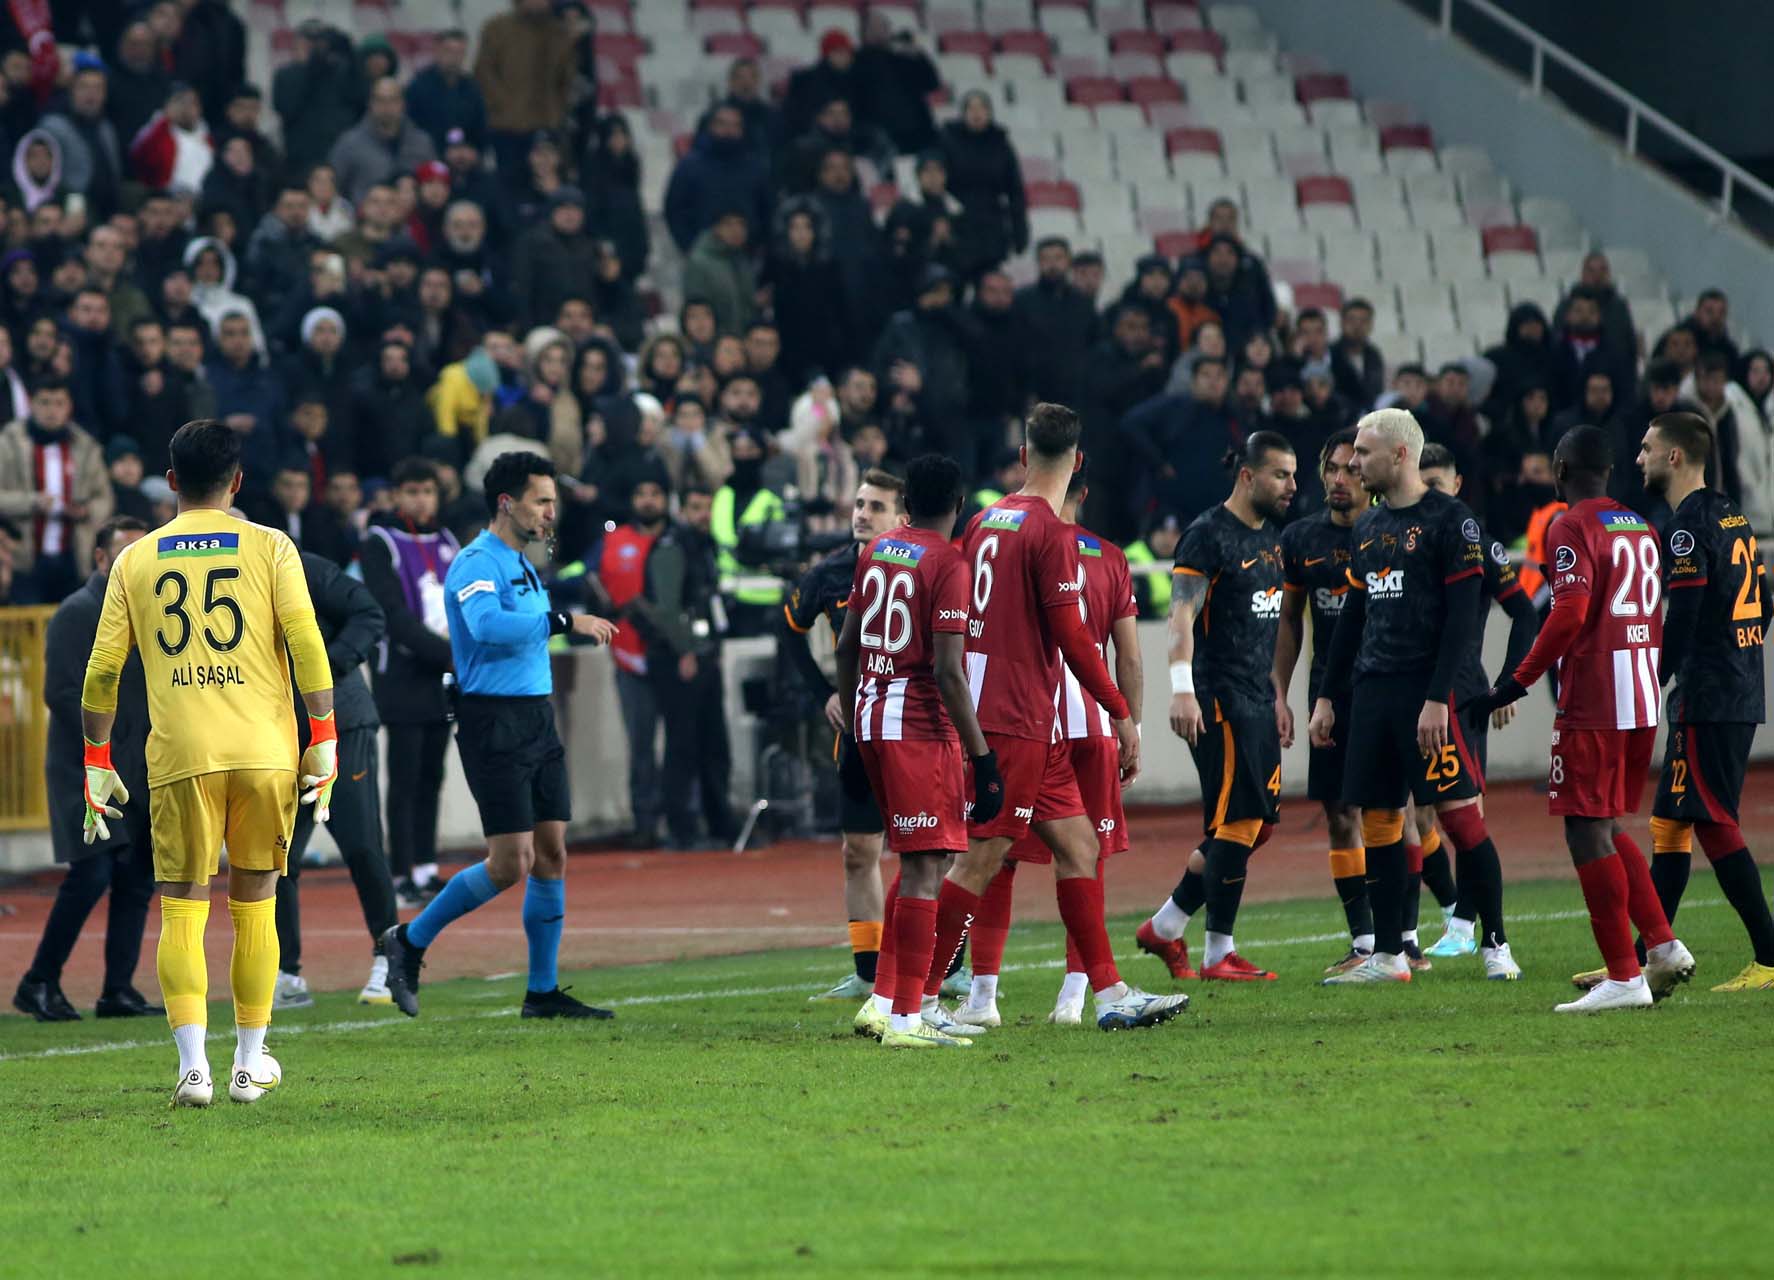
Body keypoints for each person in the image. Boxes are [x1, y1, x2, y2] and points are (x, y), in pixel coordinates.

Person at [78, 420, 340, 1105]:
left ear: (169, 482)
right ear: (239, 481)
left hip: (182, 755)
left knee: (183, 909)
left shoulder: (135, 559)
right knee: (256, 904)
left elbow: (103, 669)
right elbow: (309, 647)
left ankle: (193, 1069)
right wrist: (326, 737)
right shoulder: (270, 546)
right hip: (263, 753)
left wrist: (96, 757)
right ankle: (249, 1065)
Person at [919, 404, 1187, 1032]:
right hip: (1014, 717)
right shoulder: (1050, 532)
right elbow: (1071, 634)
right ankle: (920, 1000)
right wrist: (1121, 712)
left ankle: (1110, 993)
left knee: (1078, 844)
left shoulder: (986, 519)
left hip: (1018, 716)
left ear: (1022, 456)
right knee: (982, 859)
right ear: (1078, 461)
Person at [381, 452, 618, 1020]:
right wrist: (565, 621)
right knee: (510, 862)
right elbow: (487, 629)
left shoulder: (522, 562)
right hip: (493, 721)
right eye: (541, 500)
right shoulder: (475, 563)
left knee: (552, 852)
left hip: (536, 716)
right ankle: (408, 941)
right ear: (506, 503)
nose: (549, 513)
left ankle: (541, 992)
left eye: (553, 502)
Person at [1465, 425, 1695, 1011]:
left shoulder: (1569, 525)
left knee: (1583, 828)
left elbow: (1568, 613)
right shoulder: (1640, 525)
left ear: (1561, 470)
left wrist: (1515, 679)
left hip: (1597, 697)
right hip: (1641, 693)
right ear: (1612, 471)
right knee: (1609, 825)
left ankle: (1624, 975)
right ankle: (1663, 947)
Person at [957, 464, 1144, 1026]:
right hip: (1077, 723)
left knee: (1009, 858)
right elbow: (1123, 653)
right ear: (1080, 485)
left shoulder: (994, 530)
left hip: (1025, 716)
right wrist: (1126, 717)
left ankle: (980, 995)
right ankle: (1074, 997)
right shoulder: (1106, 554)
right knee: (1075, 855)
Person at [1308, 409, 1488, 986]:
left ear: (1400, 455)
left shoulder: (1451, 521)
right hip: (1373, 692)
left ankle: (1496, 943)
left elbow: (1462, 623)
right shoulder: (1369, 527)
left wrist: (1439, 697)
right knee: (1380, 817)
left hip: (1427, 694)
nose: (1353, 463)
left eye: (1363, 452)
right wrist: (1329, 698)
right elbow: (1353, 621)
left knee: (1459, 819)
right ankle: (1389, 955)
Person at [829, 454, 999, 1049]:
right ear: (958, 506)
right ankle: (906, 1019)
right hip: (917, 728)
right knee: (927, 868)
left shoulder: (879, 550)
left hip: (872, 720)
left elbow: (846, 646)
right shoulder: (949, 562)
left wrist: (852, 719)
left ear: (905, 506)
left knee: (912, 862)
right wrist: (982, 758)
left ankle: (884, 1004)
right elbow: (949, 673)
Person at [1617, 412, 1773, 992]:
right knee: (1671, 823)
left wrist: (1651, 679)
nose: (1639, 458)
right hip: (1734, 685)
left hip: (1708, 695)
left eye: (1647, 447)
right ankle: (1641, 959)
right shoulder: (1732, 515)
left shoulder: (1684, 528)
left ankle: (1771, 956)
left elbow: (1680, 618)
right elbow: (1767, 598)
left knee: (1711, 822)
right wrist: (1740, 650)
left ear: (1675, 457)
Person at [1134, 432, 1294, 984]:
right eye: (1281, 475)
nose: (1293, 486)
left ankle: (1166, 925)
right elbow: (1180, 619)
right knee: (1238, 821)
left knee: (1254, 828)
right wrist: (1181, 689)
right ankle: (1217, 952)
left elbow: (1265, 626)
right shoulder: (1206, 535)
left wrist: (1278, 693)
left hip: (1256, 697)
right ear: (1248, 476)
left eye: (1295, 475)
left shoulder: (1273, 537)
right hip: (1217, 699)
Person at [13, 517, 159, 1022]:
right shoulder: (78, 612)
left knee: (138, 875)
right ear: (100, 559)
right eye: (123, 552)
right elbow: (60, 694)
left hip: (137, 767)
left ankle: (116, 989)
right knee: (92, 872)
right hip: (85, 765)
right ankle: (39, 981)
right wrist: (106, 751)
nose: (133, 562)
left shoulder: (149, 610)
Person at [781, 471, 907, 1000]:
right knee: (859, 850)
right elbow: (788, 631)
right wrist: (824, 694)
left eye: (875, 506)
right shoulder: (831, 573)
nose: (861, 514)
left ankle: (949, 968)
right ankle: (867, 971)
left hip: (921, 727)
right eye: (858, 503)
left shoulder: (928, 565)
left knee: (939, 853)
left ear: (902, 518)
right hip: (859, 728)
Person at [1412, 443, 1538, 975]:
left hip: (1457, 697)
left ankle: (1483, 935)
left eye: (1438, 484)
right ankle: (1434, 930)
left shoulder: (1477, 543)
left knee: (1462, 815)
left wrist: (1507, 684)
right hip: (1402, 697)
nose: (1430, 493)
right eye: (1424, 483)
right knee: (1415, 816)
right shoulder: (1399, 537)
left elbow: (1525, 612)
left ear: (1458, 484)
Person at [273, 549, 398, 1009]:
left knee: (362, 844)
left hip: (340, 722)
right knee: (276, 855)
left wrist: (324, 667)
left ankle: (391, 957)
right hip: (274, 735)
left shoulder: (295, 564)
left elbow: (368, 611)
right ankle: (286, 972)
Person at [1274, 430, 1375, 973]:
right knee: (1340, 813)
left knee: (1395, 812)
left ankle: (1403, 935)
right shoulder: (1300, 539)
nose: (1339, 480)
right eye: (1331, 469)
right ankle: (1364, 941)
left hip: (1385, 688)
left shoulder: (1388, 532)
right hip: (1327, 695)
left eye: (1350, 470)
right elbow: (1290, 621)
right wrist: (1281, 695)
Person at [361, 459, 459, 905]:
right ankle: (399, 872)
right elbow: (392, 615)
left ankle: (425, 866)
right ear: (397, 495)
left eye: (428, 492)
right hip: (400, 675)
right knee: (404, 775)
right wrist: (451, 654)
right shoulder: (380, 542)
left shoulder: (448, 541)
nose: (422, 500)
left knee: (432, 774)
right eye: (413, 492)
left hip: (441, 674)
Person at [632, 487, 735, 850]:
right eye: (696, 506)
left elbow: (707, 603)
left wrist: (711, 650)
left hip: (702, 655)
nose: (703, 513)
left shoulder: (703, 545)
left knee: (713, 744)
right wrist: (685, 652)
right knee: (684, 744)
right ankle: (682, 828)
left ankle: (718, 823)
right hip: (678, 658)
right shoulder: (673, 546)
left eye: (707, 506)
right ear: (683, 508)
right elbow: (667, 608)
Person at [594, 474, 670, 849]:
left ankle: (680, 820)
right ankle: (646, 823)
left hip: (672, 656)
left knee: (680, 745)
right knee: (640, 746)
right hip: (629, 657)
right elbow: (585, 575)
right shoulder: (612, 541)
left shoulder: (677, 539)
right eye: (641, 491)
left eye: (654, 491)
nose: (648, 499)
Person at [0, 378, 114, 605]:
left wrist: (86, 511)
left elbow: (104, 498)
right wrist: (32, 502)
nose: (52, 410)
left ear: (69, 406)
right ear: (31, 404)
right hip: (24, 556)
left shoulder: (85, 446)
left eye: (59, 403)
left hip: (73, 555)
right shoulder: (8, 444)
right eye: (45, 403)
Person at [328, 77, 437, 205]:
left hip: (415, 221)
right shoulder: (349, 144)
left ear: (403, 103)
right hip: (363, 221)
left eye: (392, 100)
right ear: (370, 103)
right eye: (380, 100)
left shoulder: (422, 143)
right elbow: (333, 187)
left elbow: (435, 184)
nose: (386, 107)